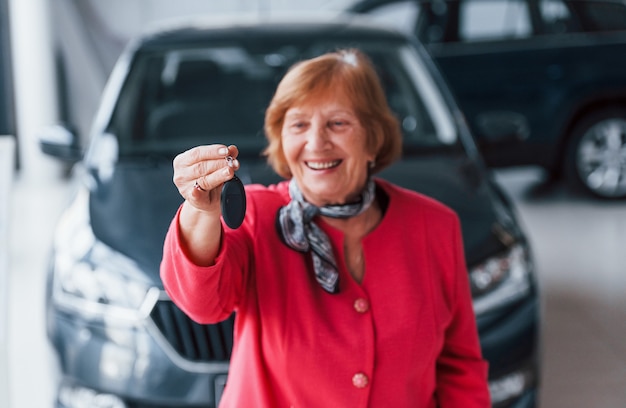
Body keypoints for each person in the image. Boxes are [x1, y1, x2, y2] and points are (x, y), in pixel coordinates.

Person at [160, 48, 490, 407]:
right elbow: (202, 304)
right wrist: (200, 210)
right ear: (282, 141)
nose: (316, 143)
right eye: (299, 124)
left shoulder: (435, 227)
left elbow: (460, 368)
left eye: (338, 123)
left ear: (373, 139)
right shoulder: (256, 214)